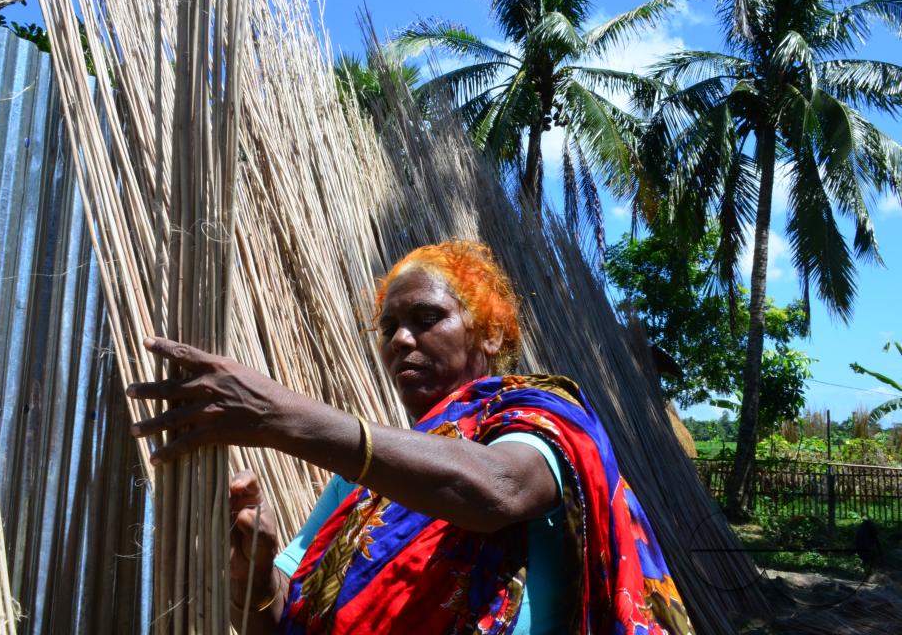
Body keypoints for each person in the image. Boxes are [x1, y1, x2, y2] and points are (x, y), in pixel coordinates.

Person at [128, 240, 694, 634]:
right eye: (388, 327)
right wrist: (251, 575)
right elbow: (279, 621)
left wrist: (280, 414)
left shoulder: (540, 419)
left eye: (426, 318)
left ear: (491, 333)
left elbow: (498, 490)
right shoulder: (364, 485)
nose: (400, 340)